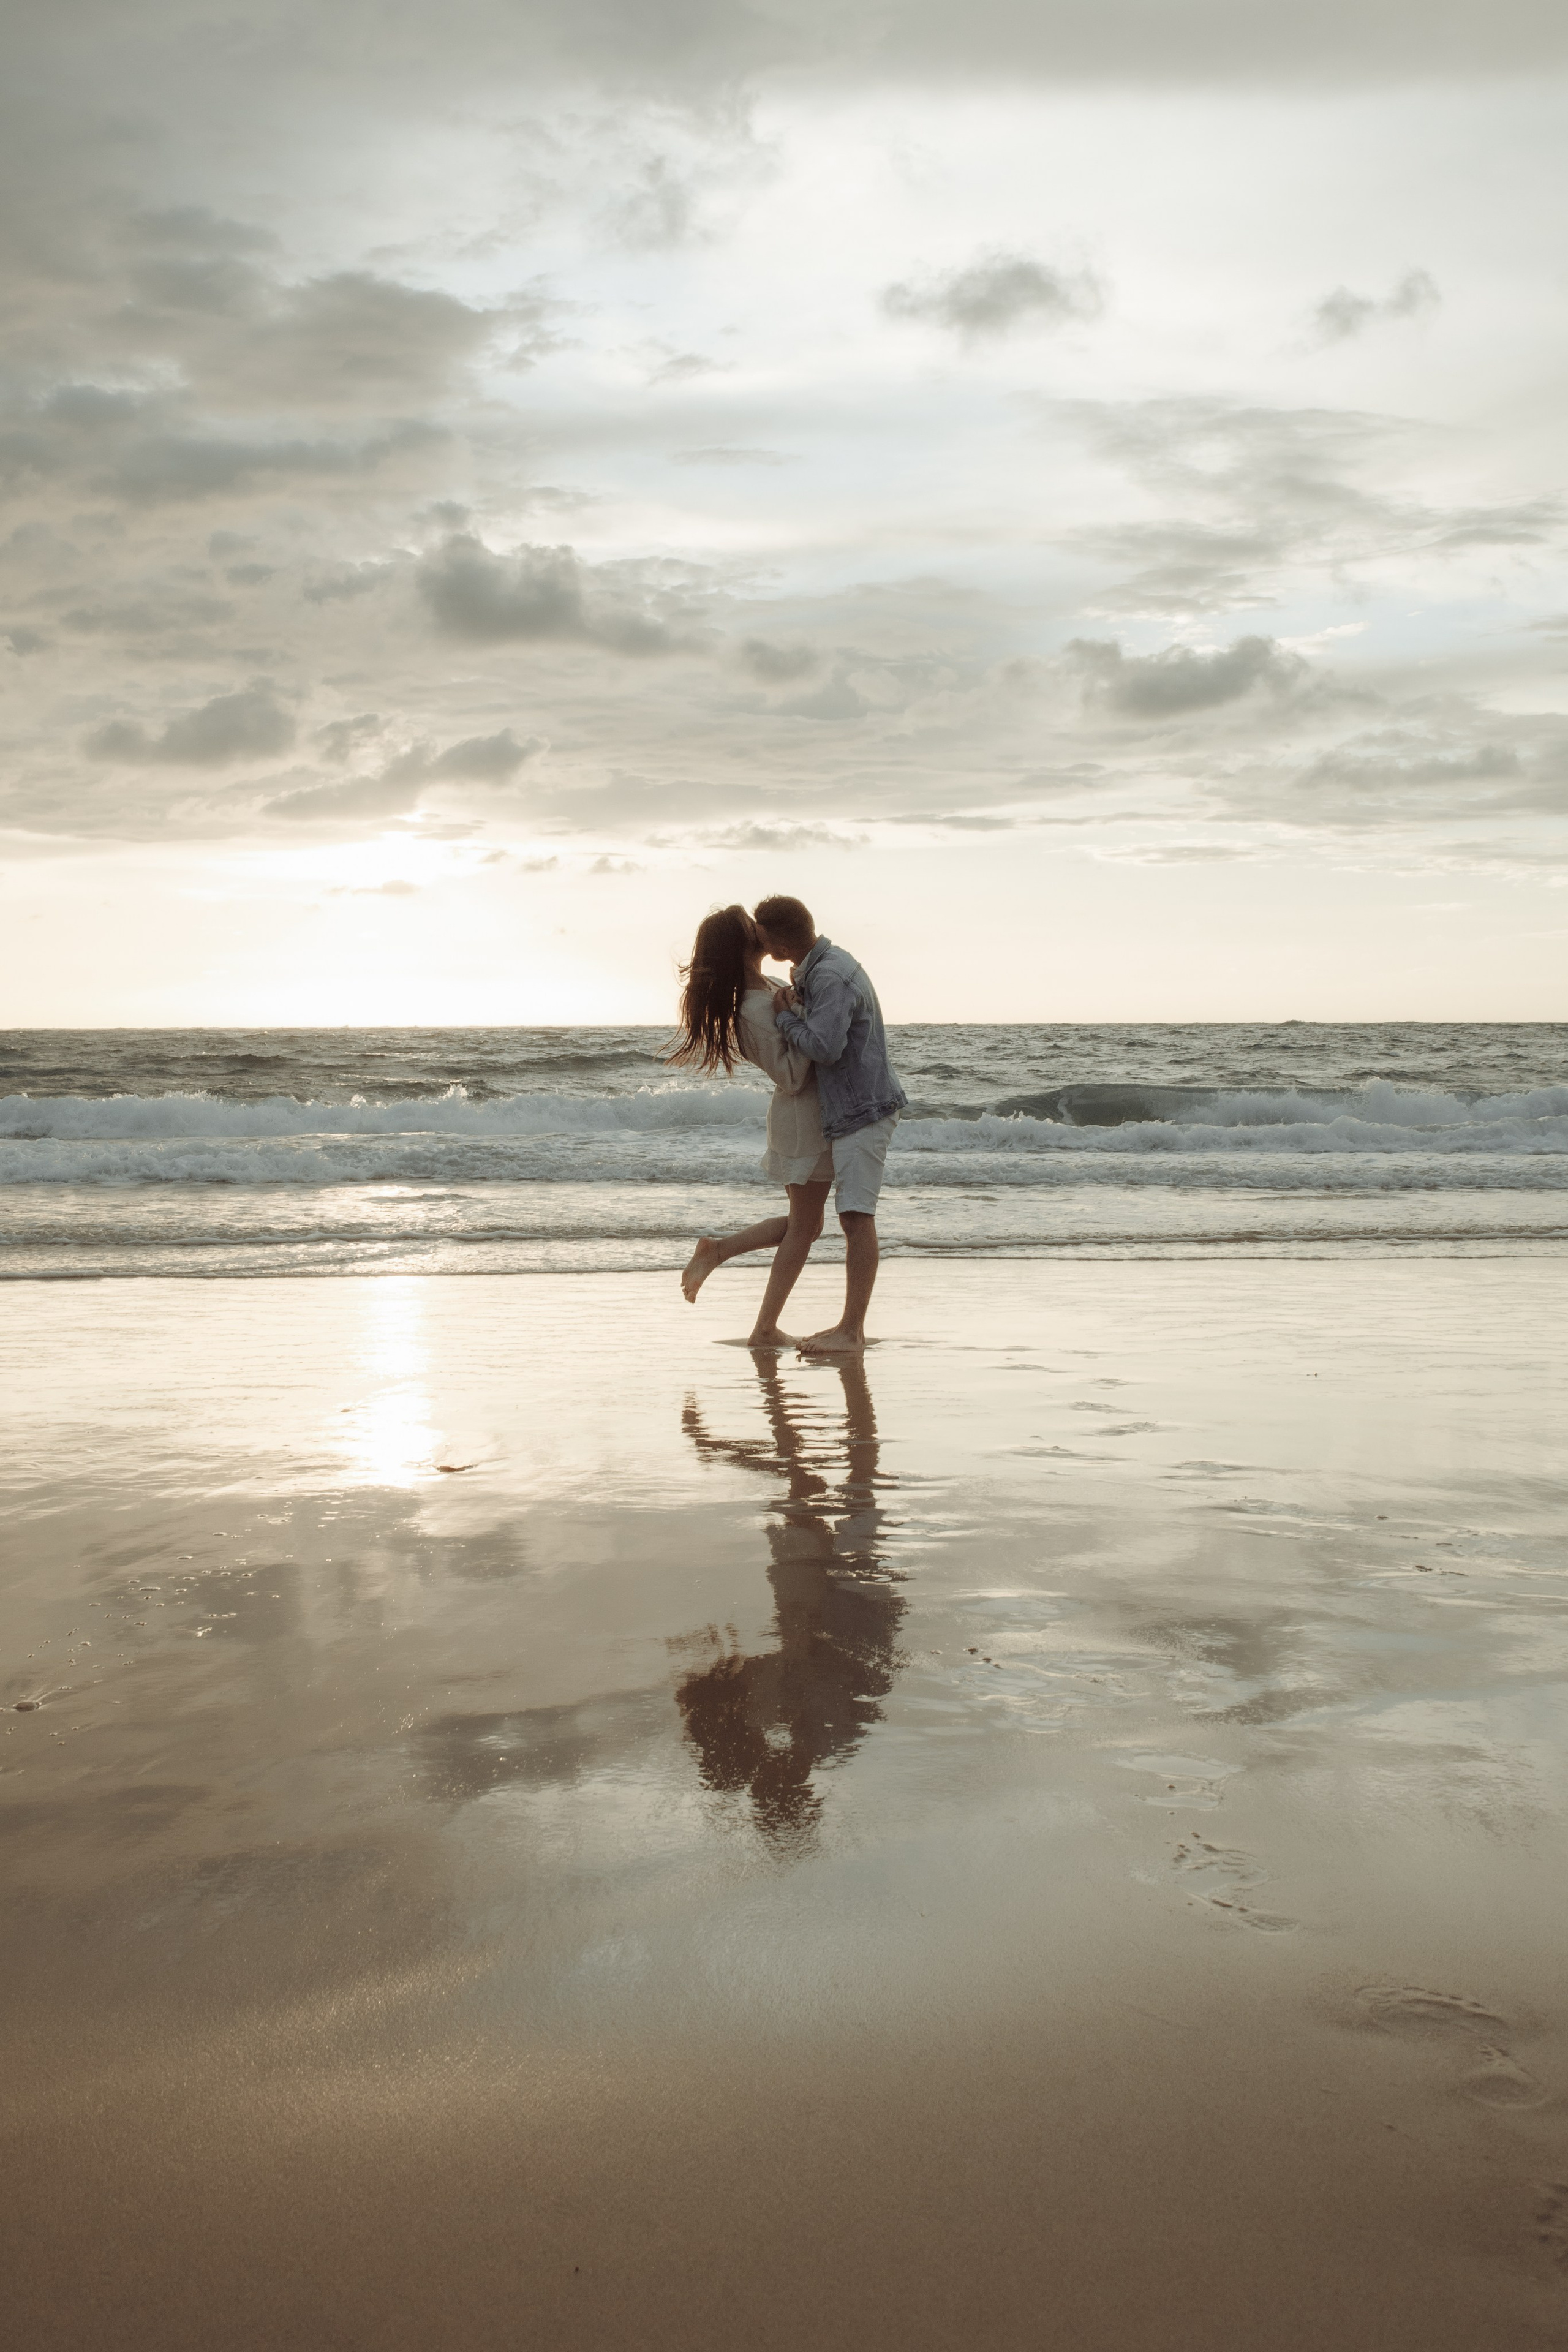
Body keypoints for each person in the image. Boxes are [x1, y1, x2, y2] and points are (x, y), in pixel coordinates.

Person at [666, 903, 833, 1348]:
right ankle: (763, 1327)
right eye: (749, 926)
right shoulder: (753, 1009)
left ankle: (717, 1250)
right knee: (805, 1228)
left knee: (808, 1225)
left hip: (811, 1119)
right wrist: (791, 1016)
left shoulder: (772, 986)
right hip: (803, 1122)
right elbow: (793, 1075)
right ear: (740, 944)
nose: (759, 928)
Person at [753, 895, 907, 1357]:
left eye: (763, 936)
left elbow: (824, 1047)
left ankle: (852, 1331)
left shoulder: (829, 975)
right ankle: (850, 1328)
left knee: (856, 1217)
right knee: (850, 1216)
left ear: (778, 940)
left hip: (865, 1107)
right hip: (855, 1107)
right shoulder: (817, 968)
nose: (760, 944)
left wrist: (783, 1017)